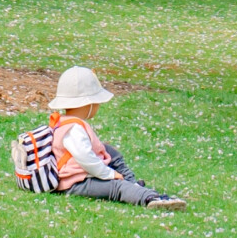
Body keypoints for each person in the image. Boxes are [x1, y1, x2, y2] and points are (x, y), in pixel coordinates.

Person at [49, 67, 186, 209]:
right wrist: (110, 174)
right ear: (88, 103)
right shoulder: (74, 129)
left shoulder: (66, 122)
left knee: (108, 151)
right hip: (75, 183)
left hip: (79, 177)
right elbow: (87, 160)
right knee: (116, 187)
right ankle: (150, 199)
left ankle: (132, 184)